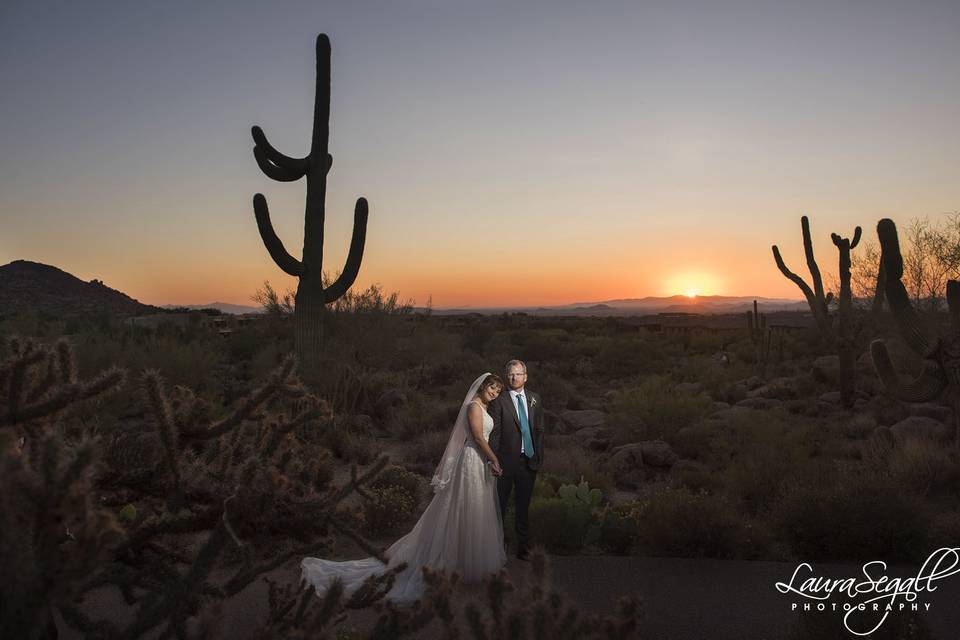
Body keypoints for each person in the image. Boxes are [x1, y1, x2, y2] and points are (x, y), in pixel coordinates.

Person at [301, 373, 507, 603]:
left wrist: (488, 460)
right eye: (492, 388)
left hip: (479, 461)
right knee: (461, 508)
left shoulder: (484, 408)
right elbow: (478, 438)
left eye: (498, 391)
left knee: (475, 509)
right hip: (472, 459)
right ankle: (448, 561)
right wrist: (494, 460)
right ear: (481, 387)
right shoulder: (474, 407)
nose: (494, 393)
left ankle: (466, 562)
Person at [487, 359, 544, 561]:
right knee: (499, 508)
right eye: (511, 374)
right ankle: (497, 549)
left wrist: (539, 457)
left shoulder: (534, 398)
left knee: (523, 507)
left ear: (525, 377)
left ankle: (523, 549)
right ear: (506, 376)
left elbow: (539, 430)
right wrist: (494, 461)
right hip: (505, 463)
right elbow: (494, 434)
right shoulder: (498, 401)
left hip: (528, 462)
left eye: (518, 374)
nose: (514, 377)